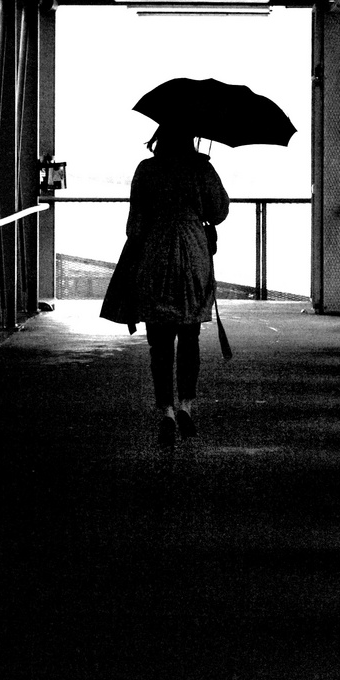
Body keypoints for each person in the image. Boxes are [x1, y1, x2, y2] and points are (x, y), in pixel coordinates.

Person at [100, 125, 230, 446]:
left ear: (160, 138)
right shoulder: (202, 168)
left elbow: (135, 225)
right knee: (189, 335)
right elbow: (220, 211)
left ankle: (167, 412)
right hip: (193, 254)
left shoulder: (147, 170)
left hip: (155, 255)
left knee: (159, 341)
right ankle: (187, 404)